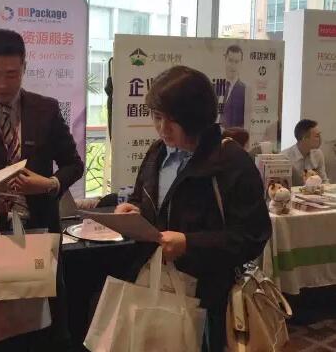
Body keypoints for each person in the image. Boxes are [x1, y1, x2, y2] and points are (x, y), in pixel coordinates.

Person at [115, 65, 271, 352]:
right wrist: (134, 211)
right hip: (155, 284)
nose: (163, 129)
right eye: (157, 117)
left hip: (209, 296)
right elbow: (145, 201)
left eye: (173, 121)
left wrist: (189, 243)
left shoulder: (230, 161)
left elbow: (252, 235)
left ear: (197, 118)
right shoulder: (157, 152)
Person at [0, 29, 84, 351]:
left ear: (24, 68)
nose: (2, 85)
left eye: (11, 75)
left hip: (39, 228)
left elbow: (74, 164)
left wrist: (48, 184)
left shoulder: (46, 109)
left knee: (45, 322)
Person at [281, 119, 328, 186]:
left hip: (314, 192)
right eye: (317, 136)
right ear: (304, 138)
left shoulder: (318, 154)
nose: (320, 139)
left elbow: (323, 181)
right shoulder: (284, 157)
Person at [220, 44, 246, 128]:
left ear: (241, 63)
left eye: (236, 62)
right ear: (225, 60)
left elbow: (246, 122)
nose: (233, 65)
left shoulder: (245, 91)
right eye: (230, 60)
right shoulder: (215, 86)